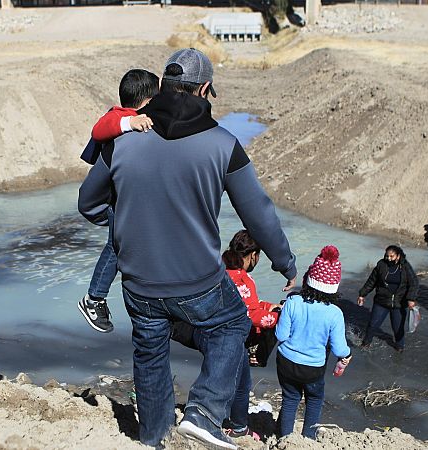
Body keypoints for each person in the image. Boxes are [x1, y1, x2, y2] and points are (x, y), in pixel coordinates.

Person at [79, 48, 297, 449]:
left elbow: (88, 204)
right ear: (206, 89)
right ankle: (204, 412)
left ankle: (154, 438)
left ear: (162, 86)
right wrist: (285, 262)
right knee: (233, 323)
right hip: (197, 282)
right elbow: (259, 214)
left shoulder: (125, 137)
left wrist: (129, 224)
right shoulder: (222, 143)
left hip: (139, 285)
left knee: (149, 356)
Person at [77, 69, 158, 333]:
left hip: (126, 201)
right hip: (119, 203)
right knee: (115, 247)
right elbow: (99, 128)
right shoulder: (122, 118)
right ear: (147, 101)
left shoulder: (140, 117)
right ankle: (94, 298)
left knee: (122, 247)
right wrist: (129, 123)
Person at [276, 245, 351, 440]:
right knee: (315, 399)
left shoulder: (292, 302)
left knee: (290, 399)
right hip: (313, 368)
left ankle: (285, 439)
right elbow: (339, 349)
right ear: (334, 287)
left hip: (286, 362)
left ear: (309, 280)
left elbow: (281, 335)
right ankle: (308, 438)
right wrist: (347, 356)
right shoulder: (335, 313)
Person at [222, 230, 282, 366]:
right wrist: (280, 317)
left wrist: (267, 307)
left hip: (216, 328)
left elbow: (242, 303)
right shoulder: (244, 279)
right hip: (233, 338)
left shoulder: (221, 270)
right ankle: (256, 356)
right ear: (253, 255)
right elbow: (252, 315)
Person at [357, 245, 419, 352]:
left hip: (399, 303)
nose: (389, 258)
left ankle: (400, 347)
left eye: (391, 256)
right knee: (373, 324)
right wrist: (362, 294)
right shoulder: (381, 265)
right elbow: (371, 281)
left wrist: (411, 299)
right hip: (381, 301)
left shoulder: (405, 267)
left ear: (398, 256)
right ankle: (366, 343)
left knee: (398, 329)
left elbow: (414, 283)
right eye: (387, 256)